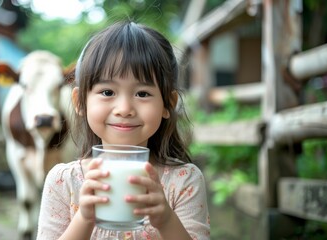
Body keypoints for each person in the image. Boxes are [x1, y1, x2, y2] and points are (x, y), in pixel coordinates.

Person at [36, 21, 210, 240]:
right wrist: (84, 219)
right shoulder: (64, 182)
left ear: (168, 103)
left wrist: (166, 220)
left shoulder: (184, 181)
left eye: (143, 94)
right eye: (108, 92)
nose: (125, 109)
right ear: (80, 102)